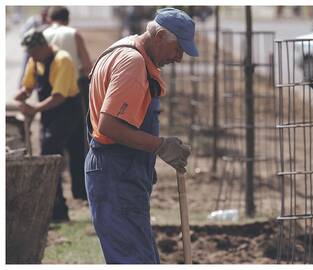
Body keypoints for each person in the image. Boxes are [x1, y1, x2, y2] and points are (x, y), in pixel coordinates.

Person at [85, 7, 196, 263]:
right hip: (116, 174)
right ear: (158, 36)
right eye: (178, 48)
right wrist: (160, 146)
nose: (179, 58)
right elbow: (109, 125)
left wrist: (143, 155)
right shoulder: (133, 64)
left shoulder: (123, 49)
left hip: (117, 170)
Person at [15, 29, 83, 222]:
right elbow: (28, 85)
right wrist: (22, 94)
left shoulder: (63, 59)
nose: (32, 56)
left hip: (67, 110)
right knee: (49, 152)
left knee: (51, 153)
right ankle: (55, 209)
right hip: (49, 111)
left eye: (34, 52)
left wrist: (34, 109)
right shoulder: (34, 60)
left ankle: (58, 209)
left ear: (44, 46)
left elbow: (59, 96)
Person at [43, 6, 92, 200]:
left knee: (52, 144)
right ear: (67, 18)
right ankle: (79, 191)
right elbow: (87, 65)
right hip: (72, 92)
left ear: (48, 18)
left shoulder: (42, 35)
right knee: (77, 143)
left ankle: (54, 195)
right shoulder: (73, 34)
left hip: (49, 92)